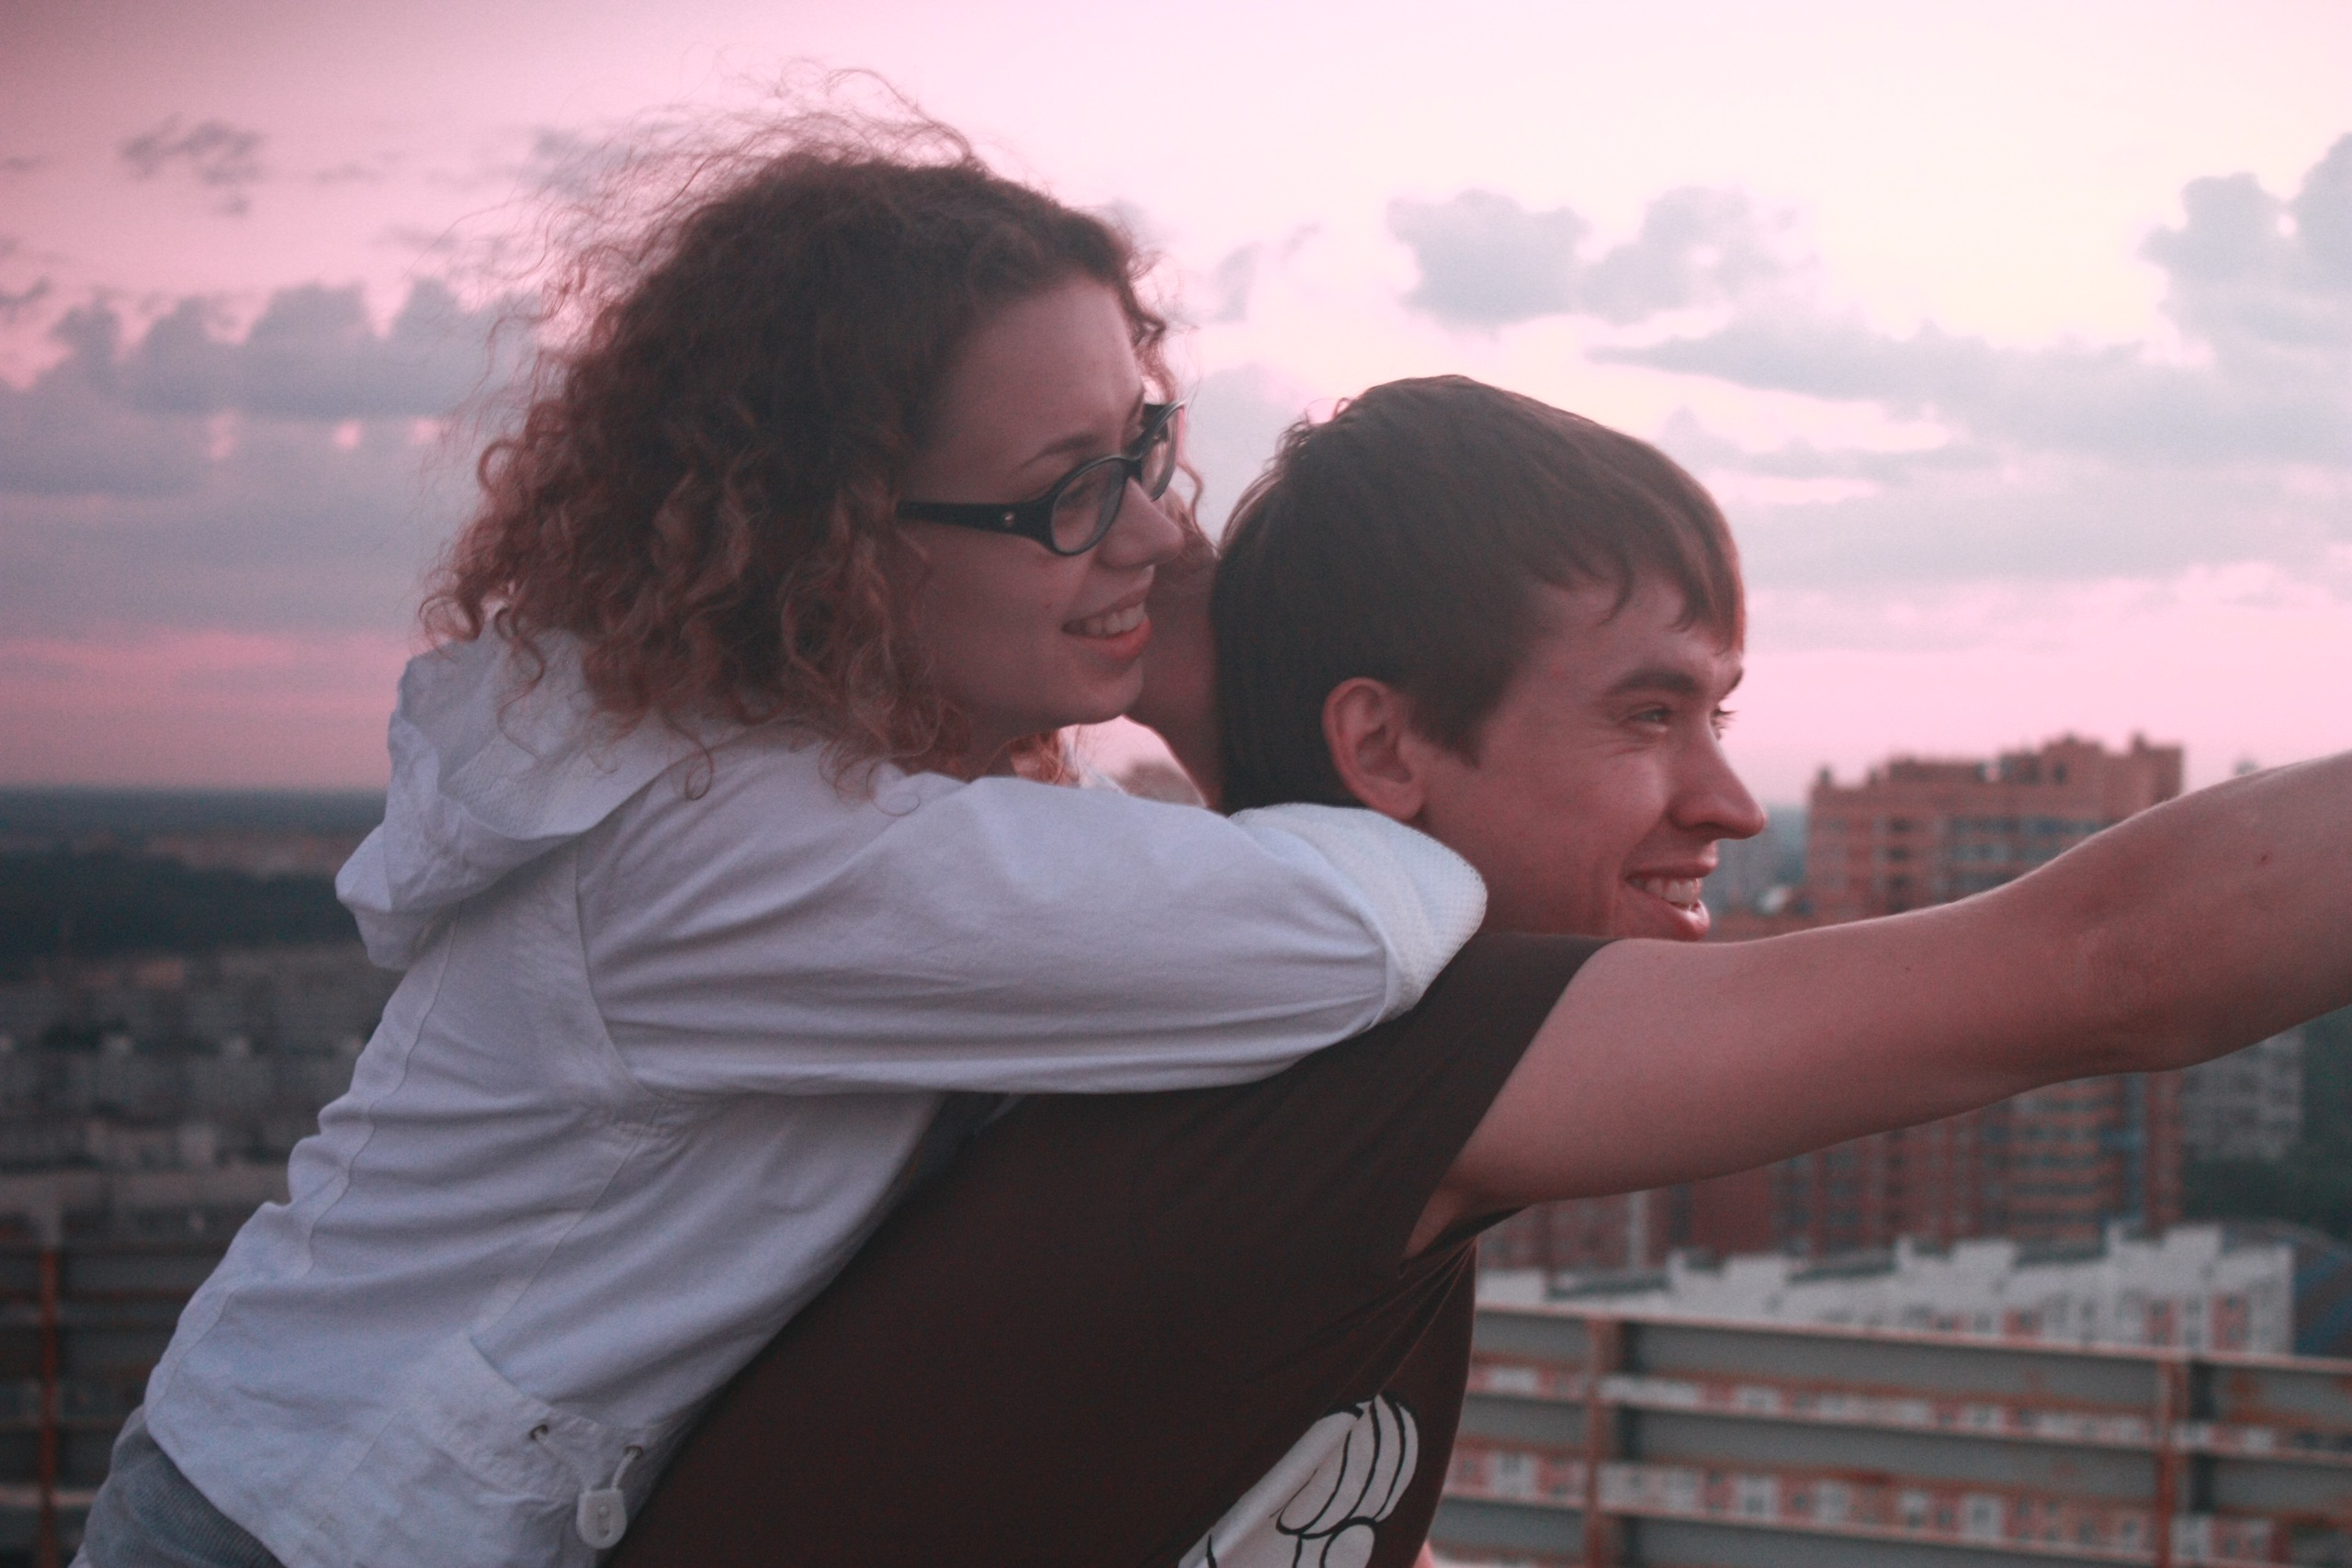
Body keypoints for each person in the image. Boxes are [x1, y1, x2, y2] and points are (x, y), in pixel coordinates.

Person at [71, 121, 1511, 1568]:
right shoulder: (730, 847)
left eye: (1142, 448)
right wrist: (1214, 699)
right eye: (1069, 487)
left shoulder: (853, 798)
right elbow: (1349, 934)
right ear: (842, 540)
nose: (1152, 535)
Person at [610, 377, 2352, 1568]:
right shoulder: (1386, 1053)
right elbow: (2113, 964)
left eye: (1719, 716)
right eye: (1650, 714)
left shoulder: (1242, 1037)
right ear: (1380, 746)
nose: (1732, 803)